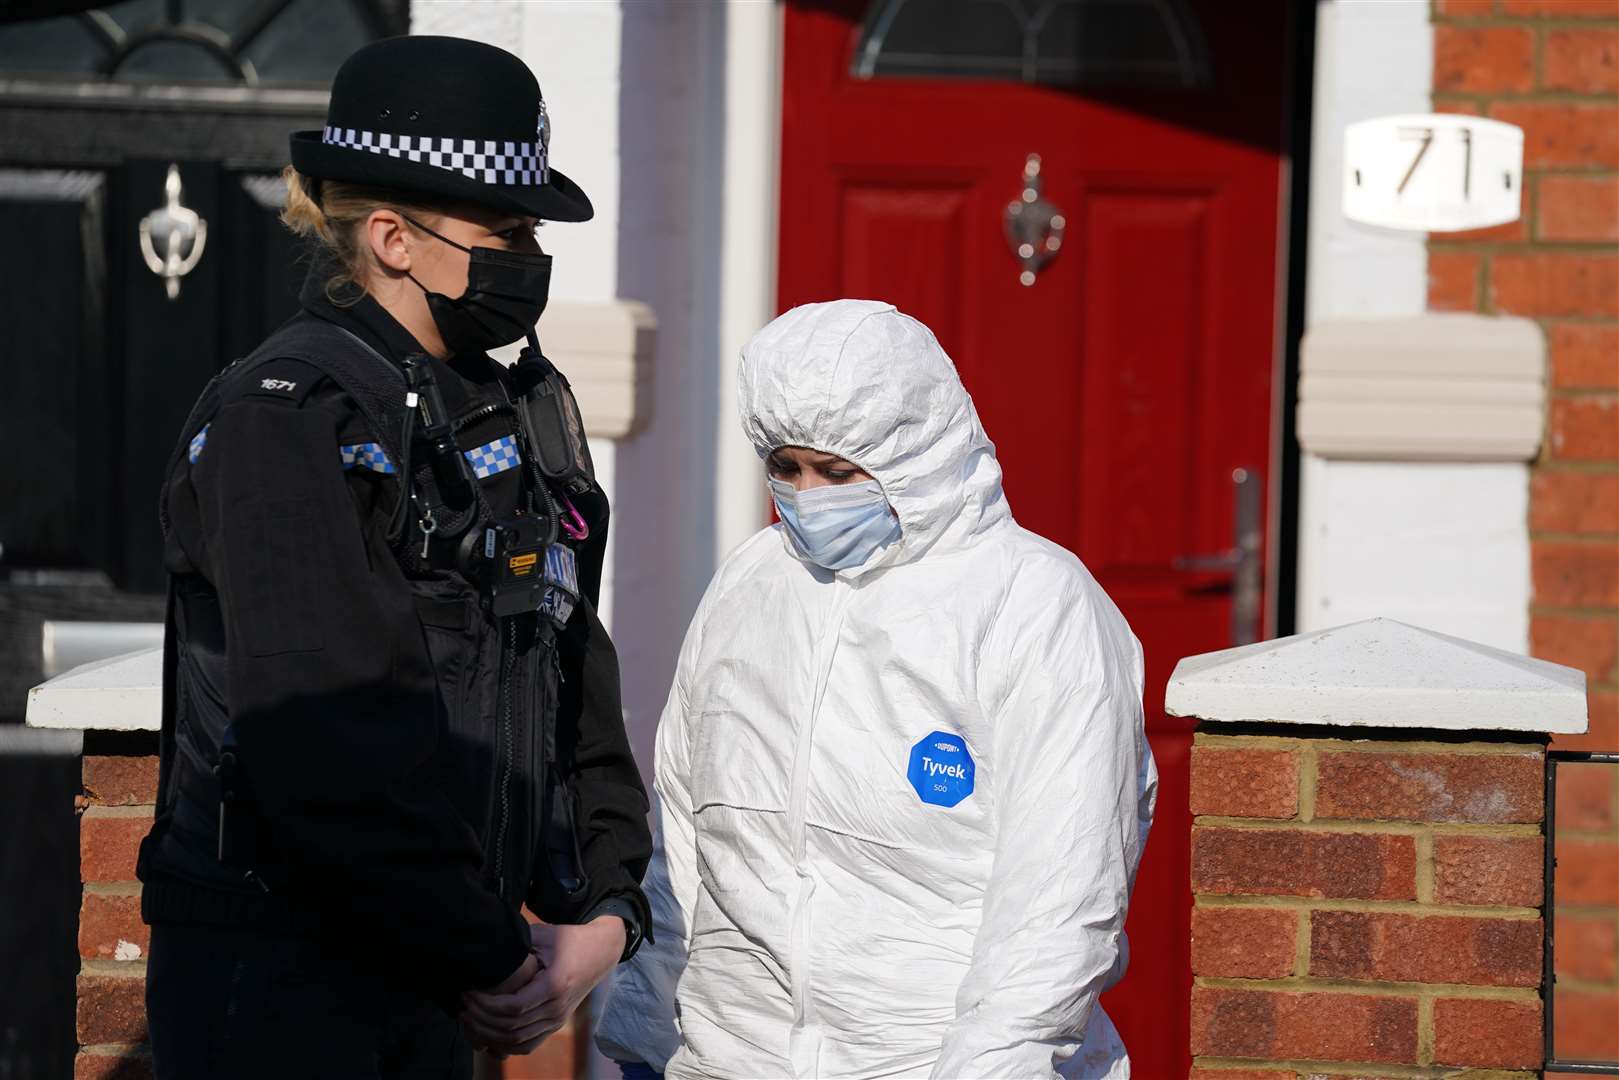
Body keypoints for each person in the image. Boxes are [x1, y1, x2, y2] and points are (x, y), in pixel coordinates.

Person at [137, 36, 650, 1079]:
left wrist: (605, 911)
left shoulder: (505, 411)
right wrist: (490, 954)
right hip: (288, 986)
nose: (527, 255)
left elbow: (563, 675)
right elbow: (325, 735)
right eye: (502, 229)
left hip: (436, 982)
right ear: (392, 238)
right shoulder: (285, 419)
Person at [595, 299, 1158, 1079]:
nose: (808, 494)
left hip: (928, 1061)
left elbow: (1060, 895)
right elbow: (688, 841)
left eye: (838, 472)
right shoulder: (752, 586)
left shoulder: (1033, 605)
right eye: (785, 467)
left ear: (918, 453)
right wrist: (646, 1036)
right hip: (731, 1057)